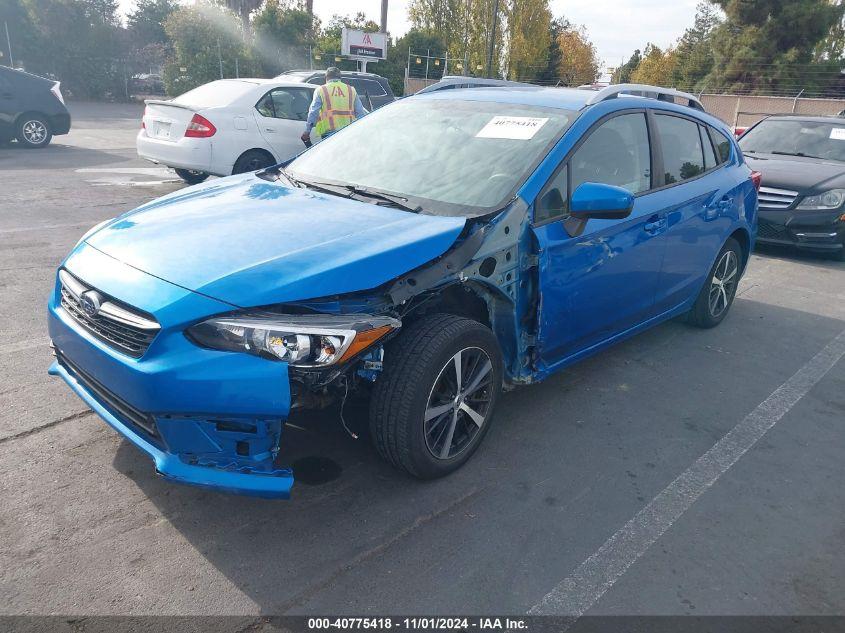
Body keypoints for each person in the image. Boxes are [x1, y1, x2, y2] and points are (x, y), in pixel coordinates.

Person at [301, 67, 368, 144]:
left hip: (329, 135)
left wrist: (307, 131)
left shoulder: (321, 90)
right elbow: (360, 113)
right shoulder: (351, 90)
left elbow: (313, 112)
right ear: (340, 78)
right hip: (348, 133)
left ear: (326, 77)